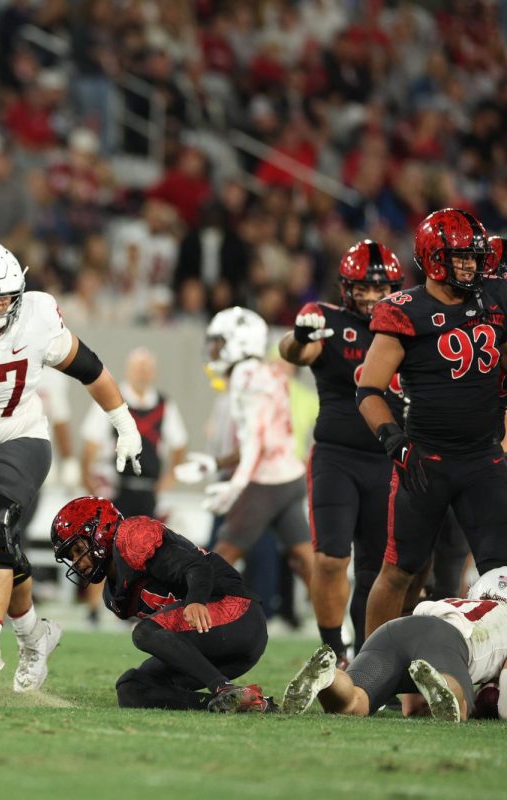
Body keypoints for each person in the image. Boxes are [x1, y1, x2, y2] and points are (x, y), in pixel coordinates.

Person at [0, 242, 145, 692]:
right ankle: (34, 635)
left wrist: (124, 422)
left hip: (22, 437)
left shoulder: (36, 317)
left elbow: (90, 368)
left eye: (5, 297)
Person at [358, 209, 507, 638]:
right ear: (434, 257)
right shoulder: (404, 311)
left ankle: (490, 670)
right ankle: (370, 673)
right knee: (400, 571)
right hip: (425, 461)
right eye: (461, 257)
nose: (472, 265)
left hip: (483, 459)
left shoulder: (494, 297)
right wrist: (394, 442)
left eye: (475, 257)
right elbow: (368, 390)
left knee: (500, 572)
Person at [278, 240, 404, 661]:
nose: (371, 297)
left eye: (379, 288)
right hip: (337, 457)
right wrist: (298, 338)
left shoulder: (410, 323)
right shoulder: (327, 318)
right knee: (331, 560)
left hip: (389, 460)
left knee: (377, 571)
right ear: (345, 288)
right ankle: (334, 651)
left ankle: (370, 663)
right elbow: (296, 351)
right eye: (362, 288)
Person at [51, 496, 274, 712]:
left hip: (236, 613)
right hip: (212, 646)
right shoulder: (114, 595)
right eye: (72, 557)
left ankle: (223, 687)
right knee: (133, 688)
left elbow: (197, 567)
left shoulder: (132, 537)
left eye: (79, 550)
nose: (78, 563)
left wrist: (195, 600)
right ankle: (238, 703)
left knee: (144, 632)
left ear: (100, 531)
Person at [176, 307, 313, 598]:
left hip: (264, 484)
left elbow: (256, 442)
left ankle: (186, 620)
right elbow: (263, 439)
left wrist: (236, 485)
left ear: (238, 341)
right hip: (289, 479)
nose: (214, 350)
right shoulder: (264, 371)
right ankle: (343, 635)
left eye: (219, 342)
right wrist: (215, 463)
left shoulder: (245, 374)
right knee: (308, 563)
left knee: (220, 556)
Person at [283, 567, 507, 722]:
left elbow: (410, 708)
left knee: (354, 703)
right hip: (445, 639)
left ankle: (328, 677)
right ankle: (443, 683)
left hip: (395, 629)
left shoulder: (465, 605)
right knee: (460, 710)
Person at [81, 347, 189, 516]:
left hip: (149, 491)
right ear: (128, 371)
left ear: (154, 373)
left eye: (146, 369)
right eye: (138, 369)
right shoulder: (111, 399)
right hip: (114, 489)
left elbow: (179, 444)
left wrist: (169, 481)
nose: (142, 374)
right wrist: (89, 484)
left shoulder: (164, 405)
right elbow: (91, 444)